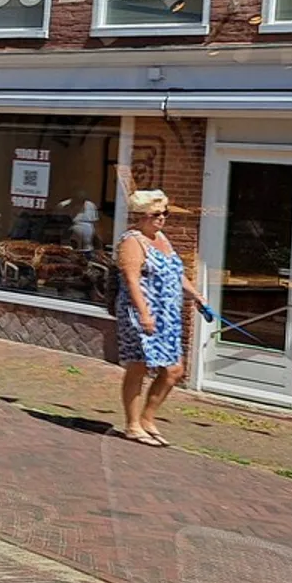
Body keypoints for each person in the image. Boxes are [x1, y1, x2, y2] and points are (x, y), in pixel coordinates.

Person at [115, 189, 207, 447]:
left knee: (174, 370)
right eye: (156, 214)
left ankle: (147, 418)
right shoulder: (132, 241)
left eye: (164, 213)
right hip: (141, 312)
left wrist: (196, 295)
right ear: (140, 215)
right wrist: (144, 313)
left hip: (168, 314)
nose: (162, 218)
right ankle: (133, 425)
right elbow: (131, 279)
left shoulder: (161, 238)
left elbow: (175, 273)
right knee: (139, 366)